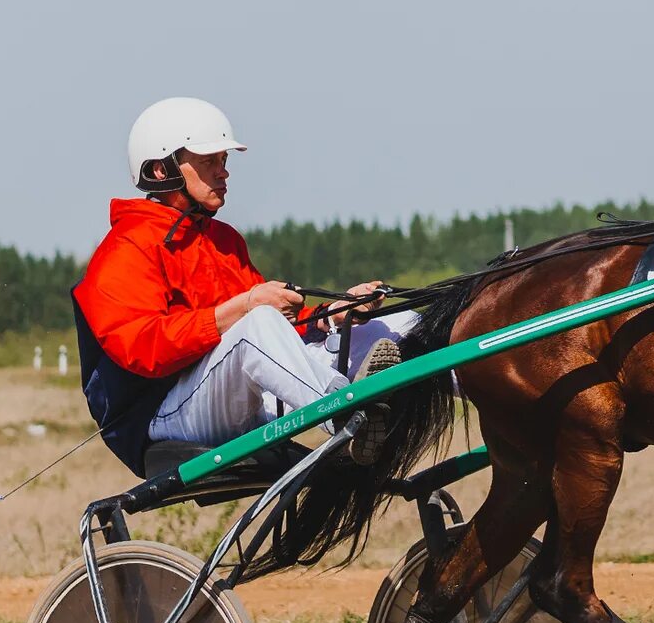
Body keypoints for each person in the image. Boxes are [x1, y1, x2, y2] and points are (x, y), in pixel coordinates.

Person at [73, 97, 416, 477]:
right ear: (160, 170)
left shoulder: (223, 239)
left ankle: (481, 386)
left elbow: (278, 333)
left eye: (224, 161)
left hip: (239, 395)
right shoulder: (125, 248)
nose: (224, 173)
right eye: (209, 162)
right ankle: (351, 418)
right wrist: (243, 308)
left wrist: (328, 318)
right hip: (164, 421)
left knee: (392, 321)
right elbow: (143, 348)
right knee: (255, 326)